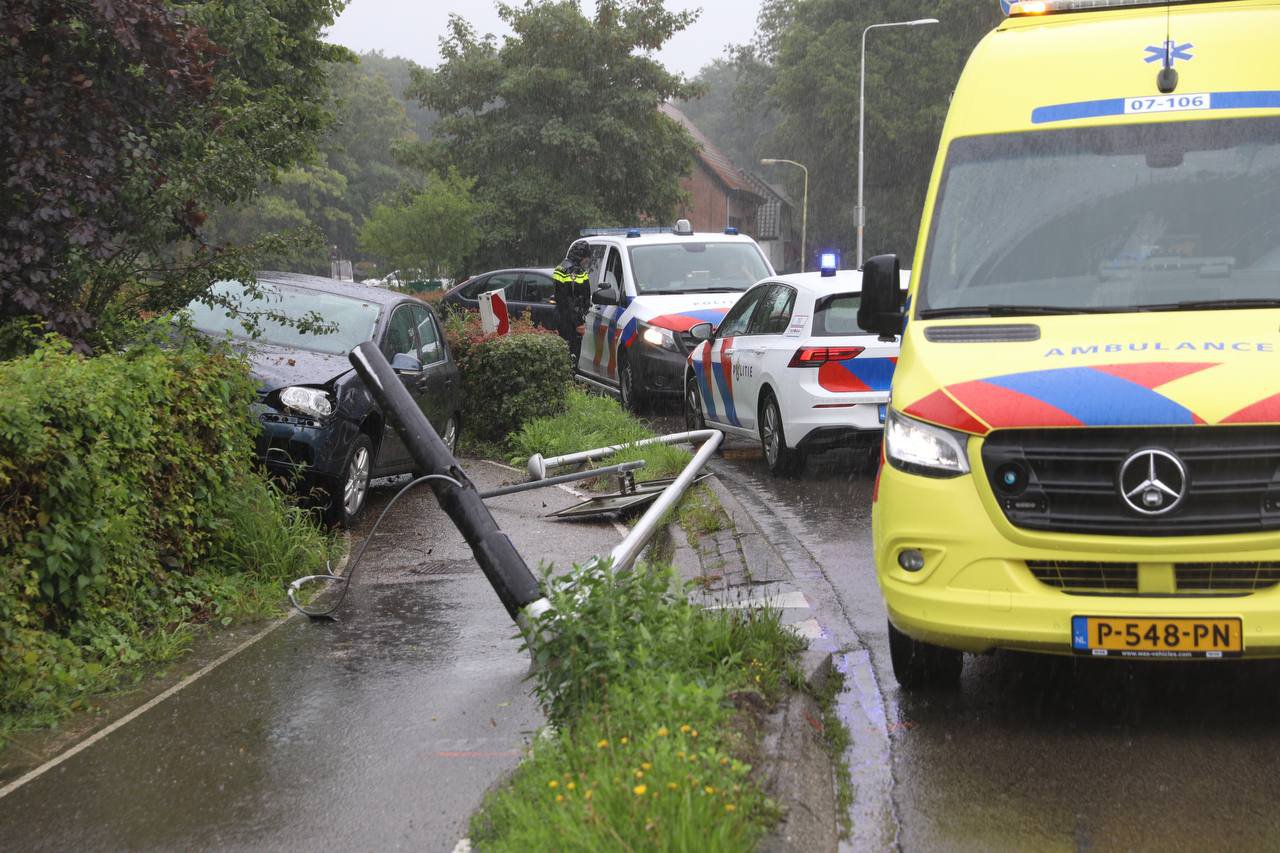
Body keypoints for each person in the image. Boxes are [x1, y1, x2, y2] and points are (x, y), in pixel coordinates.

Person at [552, 241, 593, 366]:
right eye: (586, 258)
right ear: (581, 256)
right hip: (571, 323)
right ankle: (571, 381)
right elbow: (574, 300)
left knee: (564, 356)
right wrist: (579, 323)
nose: (586, 262)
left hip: (562, 318)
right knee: (573, 357)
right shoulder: (575, 271)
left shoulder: (561, 267)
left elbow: (561, 298)